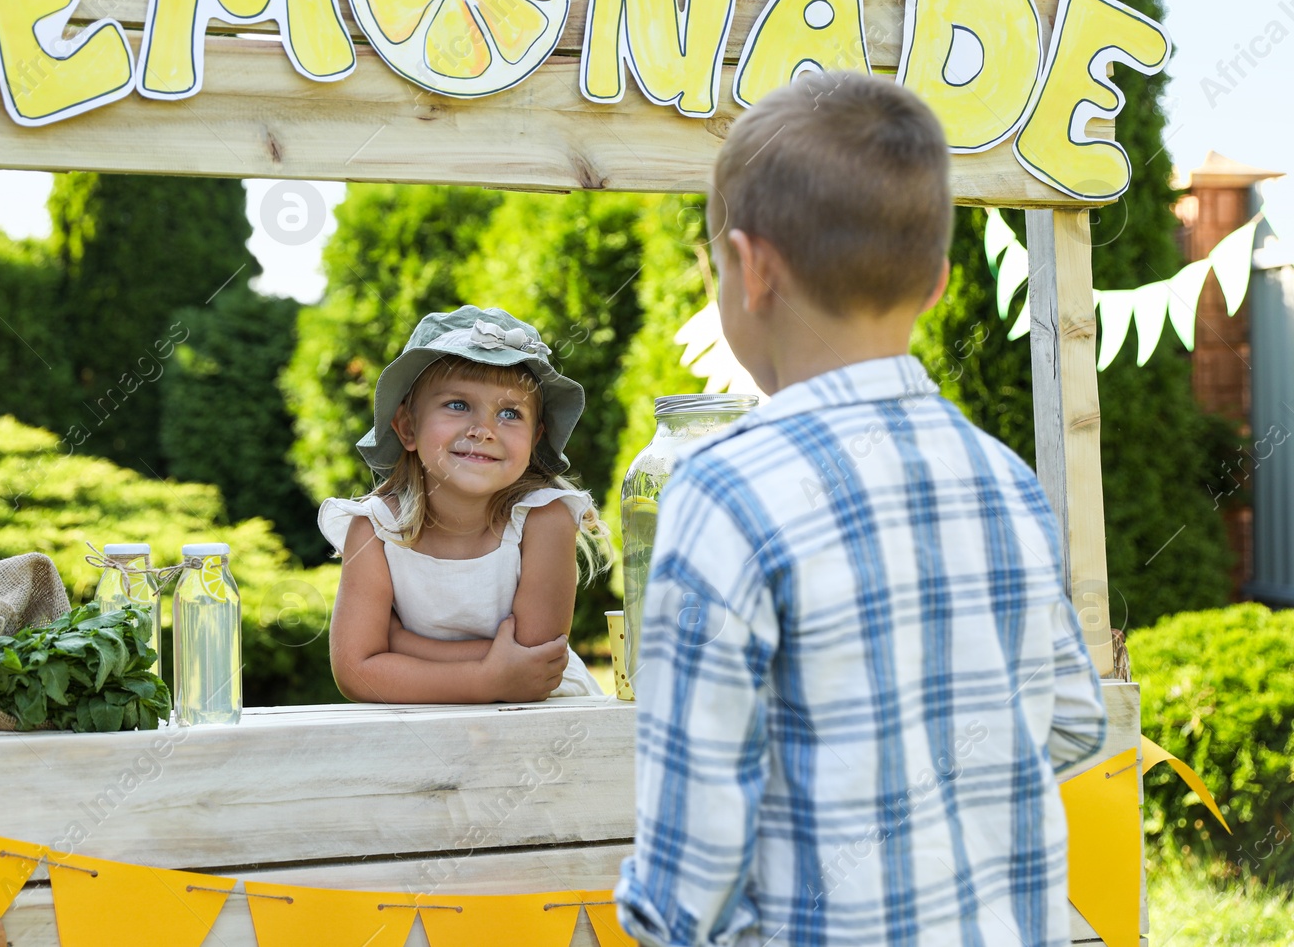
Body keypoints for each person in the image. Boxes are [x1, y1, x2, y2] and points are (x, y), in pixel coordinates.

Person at [613, 73, 1109, 946]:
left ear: (752, 267)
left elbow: (688, 872)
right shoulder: (1001, 477)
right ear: (937, 285)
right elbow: (1072, 716)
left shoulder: (720, 492)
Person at [322, 305, 612, 704]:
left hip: (542, 716)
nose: (484, 430)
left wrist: (398, 642)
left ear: (534, 439)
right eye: (458, 404)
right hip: (430, 725)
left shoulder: (544, 519)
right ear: (408, 427)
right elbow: (357, 672)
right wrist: (484, 680)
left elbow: (534, 660)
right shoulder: (376, 527)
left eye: (510, 413)